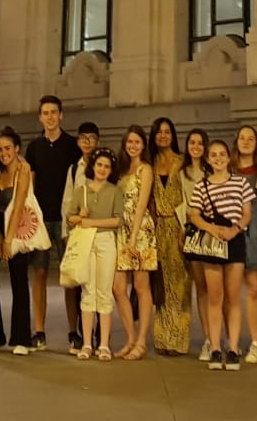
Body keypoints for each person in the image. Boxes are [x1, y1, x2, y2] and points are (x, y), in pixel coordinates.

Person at [187, 139, 254, 371]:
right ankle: (215, 347)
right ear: (208, 159)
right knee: (215, 297)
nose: (218, 158)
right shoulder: (201, 186)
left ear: (228, 157)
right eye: (213, 155)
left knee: (233, 297)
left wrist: (235, 229)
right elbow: (194, 215)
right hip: (213, 243)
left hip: (235, 241)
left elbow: (247, 213)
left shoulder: (240, 182)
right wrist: (211, 229)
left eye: (222, 154)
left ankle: (233, 348)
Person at [24, 95, 81, 352]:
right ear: (40, 117)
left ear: (61, 115)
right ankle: (39, 330)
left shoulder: (72, 146)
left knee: (69, 276)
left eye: (53, 112)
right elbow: (30, 184)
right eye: (45, 113)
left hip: (67, 220)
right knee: (39, 273)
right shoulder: (34, 147)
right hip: (42, 220)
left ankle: (73, 331)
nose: (49, 117)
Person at [0, 128, 36, 355]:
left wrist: (9, 239)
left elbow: (19, 206)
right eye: (0, 149)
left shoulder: (23, 171)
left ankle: (21, 338)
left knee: (19, 281)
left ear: (17, 149)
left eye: (8, 148)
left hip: (16, 229)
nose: (3, 153)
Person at [65, 148, 123, 361]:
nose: (102, 169)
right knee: (87, 291)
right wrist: (80, 217)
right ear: (93, 166)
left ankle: (104, 344)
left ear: (111, 170)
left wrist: (92, 222)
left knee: (104, 292)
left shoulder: (115, 191)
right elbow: (70, 217)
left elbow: (118, 220)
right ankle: (87, 344)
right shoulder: (81, 191)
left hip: (106, 241)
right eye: (99, 165)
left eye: (107, 166)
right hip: (85, 241)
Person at [111, 125, 156, 361]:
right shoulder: (121, 170)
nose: (133, 146)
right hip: (120, 230)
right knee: (117, 287)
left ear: (143, 145)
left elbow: (141, 204)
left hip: (140, 232)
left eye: (137, 142)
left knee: (141, 287)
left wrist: (133, 236)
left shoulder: (145, 169)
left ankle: (141, 342)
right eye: (130, 142)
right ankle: (130, 337)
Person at [150, 116, 192, 356]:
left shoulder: (182, 161)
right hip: (157, 228)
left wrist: (186, 228)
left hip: (178, 226)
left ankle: (178, 338)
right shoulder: (150, 163)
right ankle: (162, 337)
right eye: (159, 132)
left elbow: (188, 194)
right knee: (161, 285)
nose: (163, 136)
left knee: (180, 284)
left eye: (167, 131)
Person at [232, 124, 257, 361]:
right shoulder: (227, 170)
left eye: (251, 138)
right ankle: (231, 340)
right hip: (232, 233)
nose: (246, 141)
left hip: (255, 233)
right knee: (231, 290)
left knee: (254, 287)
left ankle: (256, 342)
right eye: (242, 138)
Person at [63, 123, 101, 349]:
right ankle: (74, 331)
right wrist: (66, 232)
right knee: (74, 282)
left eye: (92, 138)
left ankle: (98, 331)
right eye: (83, 138)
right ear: (78, 142)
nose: (87, 142)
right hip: (77, 232)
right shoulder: (73, 169)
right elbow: (67, 202)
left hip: (99, 232)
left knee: (97, 283)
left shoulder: (104, 165)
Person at [183, 127, 213, 360]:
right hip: (193, 232)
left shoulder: (211, 171)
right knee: (201, 287)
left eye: (200, 143)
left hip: (213, 230)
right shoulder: (182, 174)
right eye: (192, 142)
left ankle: (221, 336)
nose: (196, 147)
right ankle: (208, 339)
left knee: (217, 289)